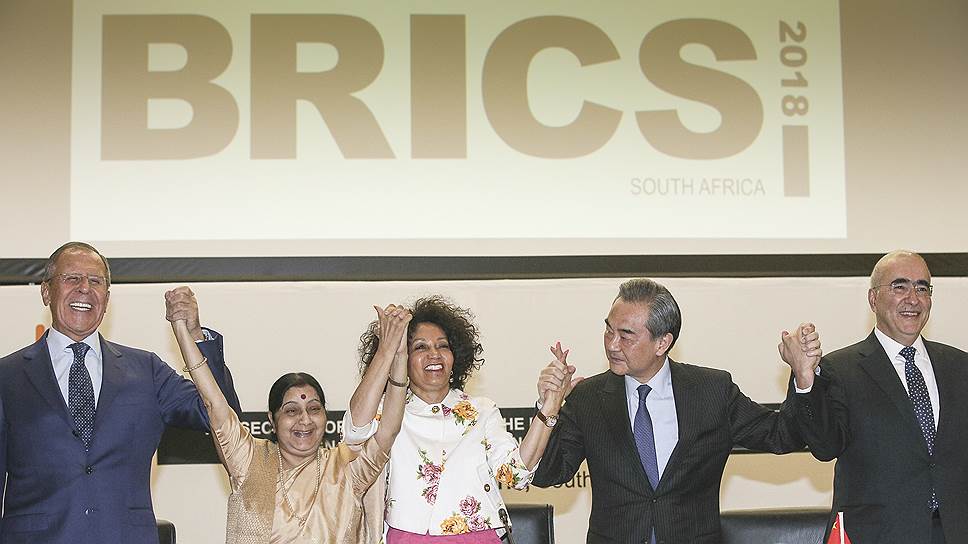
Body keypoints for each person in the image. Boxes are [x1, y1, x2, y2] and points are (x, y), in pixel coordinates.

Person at [531, 278, 820, 544]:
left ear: (662, 343)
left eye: (626, 335)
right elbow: (547, 474)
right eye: (609, 330)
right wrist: (549, 407)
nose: (612, 344)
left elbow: (782, 435)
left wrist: (803, 375)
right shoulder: (588, 398)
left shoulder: (712, 391)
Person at [0, 241, 241, 543]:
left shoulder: (146, 371)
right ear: (46, 291)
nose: (85, 288)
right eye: (72, 278)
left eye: (96, 281)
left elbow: (222, 416)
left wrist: (193, 336)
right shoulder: (7, 377)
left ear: (107, 298)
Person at [171, 302, 412, 543]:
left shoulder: (345, 468)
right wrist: (181, 329)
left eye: (314, 409)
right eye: (291, 411)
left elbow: (388, 431)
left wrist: (398, 355)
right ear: (272, 420)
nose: (305, 420)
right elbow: (214, 403)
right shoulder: (249, 459)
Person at [343, 295, 575, 543]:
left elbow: (516, 474)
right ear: (403, 359)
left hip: (479, 537)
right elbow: (354, 432)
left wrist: (550, 405)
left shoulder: (481, 410)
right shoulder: (387, 411)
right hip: (408, 536)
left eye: (442, 346)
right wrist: (387, 350)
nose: (434, 354)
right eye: (420, 347)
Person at [786, 250, 968, 544]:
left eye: (922, 288)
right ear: (873, 299)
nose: (913, 298)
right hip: (877, 534)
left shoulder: (960, 366)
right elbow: (824, 446)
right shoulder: (839, 369)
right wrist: (805, 378)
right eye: (900, 286)